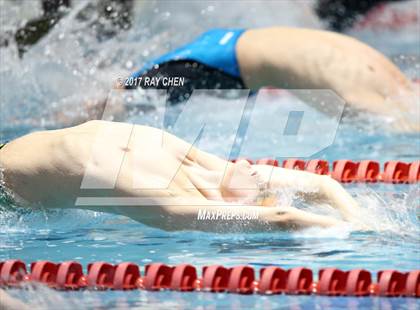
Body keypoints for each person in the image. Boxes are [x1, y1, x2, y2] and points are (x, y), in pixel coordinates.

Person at [0, 120, 365, 232]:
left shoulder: (176, 195)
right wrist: (361, 231)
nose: (256, 170)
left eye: (262, 187)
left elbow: (302, 197)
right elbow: (292, 209)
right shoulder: (186, 185)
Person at [126, 27, 418, 131]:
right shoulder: (181, 68)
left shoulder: (184, 65)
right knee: (127, 98)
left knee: (126, 99)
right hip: (361, 56)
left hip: (220, 53)